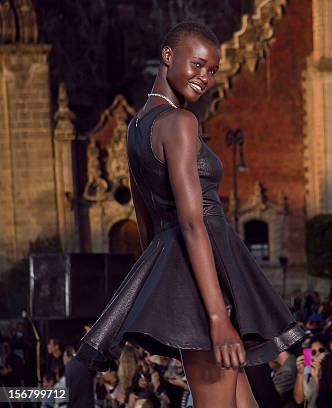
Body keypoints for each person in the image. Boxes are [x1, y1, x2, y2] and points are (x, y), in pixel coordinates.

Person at [75, 21, 304, 407]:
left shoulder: (136, 127)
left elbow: (146, 223)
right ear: (168, 56)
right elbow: (192, 221)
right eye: (197, 65)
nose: (206, 78)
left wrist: (161, 293)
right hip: (206, 282)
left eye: (212, 70)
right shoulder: (180, 122)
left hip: (189, 278)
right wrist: (216, 317)